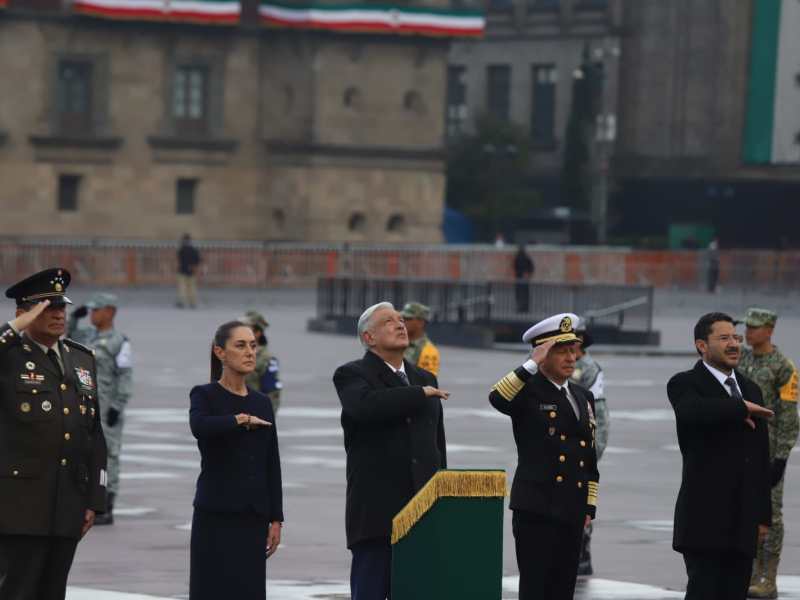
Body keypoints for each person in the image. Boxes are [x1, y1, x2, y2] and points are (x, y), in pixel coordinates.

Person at [0, 268, 107, 600]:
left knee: (52, 592)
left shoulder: (81, 358)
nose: (59, 314)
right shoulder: (10, 355)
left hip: (67, 506)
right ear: (24, 313)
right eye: (47, 308)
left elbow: (94, 432)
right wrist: (13, 329)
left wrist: (94, 498)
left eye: (61, 308)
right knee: (16, 591)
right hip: (18, 508)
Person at [333, 302, 448, 600]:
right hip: (377, 516)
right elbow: (365, 407)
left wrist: (443, 497)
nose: (400, 325)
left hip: (422, 512)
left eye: (400, 320)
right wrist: (417, 394)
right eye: (388, 322)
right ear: (369, 338)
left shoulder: (425, 377)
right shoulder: (352, 375)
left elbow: (437, 445)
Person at [488, 313, 599, 600]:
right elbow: (497, 398)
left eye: (573, 350)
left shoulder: (582, 395)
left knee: (563, 589)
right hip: (538, 509)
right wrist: (530, 364)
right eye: (560, 351)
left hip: (572, 509)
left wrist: (589, 507)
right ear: (542, 354)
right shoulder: (528, 391)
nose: (571, 357)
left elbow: (588, 457)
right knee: (537, 589)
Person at [667, 312, 773, 600]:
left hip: (743, 522)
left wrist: (764, 516)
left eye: (736, 338)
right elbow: (692, 411)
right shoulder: (685, 384)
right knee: (705, 592)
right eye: (724, 338)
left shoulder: (751, 388)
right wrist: (740, 409)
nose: (734, 344)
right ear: (702, 345)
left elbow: (761, 457)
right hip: (704, 522)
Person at [189, 321, 283, 600]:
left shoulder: (262, 402)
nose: (250, 352)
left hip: (252, 516)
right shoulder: (205, 395)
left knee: (249, 591)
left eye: (253, 345)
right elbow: (200, 426)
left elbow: (271, 462)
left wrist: (276, 518)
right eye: (240, 345)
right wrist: (239, 420)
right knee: (212, 590)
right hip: (216, 514)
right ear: (220, 352)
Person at [738, 308, 799, 599]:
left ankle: (768, 576)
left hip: (770, 450)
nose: (749, 332)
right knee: (743, 510)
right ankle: (747, 572)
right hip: (742, 448)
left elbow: (789, 416)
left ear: (770, 330)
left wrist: (782, 457)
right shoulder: (742, 359)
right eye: (747, 326)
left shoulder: (784, 367)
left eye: (755, 327)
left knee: (770, 514)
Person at [67, 292, 133, 525]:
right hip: (83, 405)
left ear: (110, 312)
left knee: (109, 454)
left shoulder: (119, 341)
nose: (93, 314)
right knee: (82, 452)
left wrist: (118, 405)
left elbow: (125, 375)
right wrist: (74, 317)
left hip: (106, 408)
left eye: (97, 310)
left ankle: (106, 505)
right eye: (91, 310)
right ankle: (86, 501)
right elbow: (67, 336)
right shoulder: (86, 335)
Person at [571, 320, 608, 576]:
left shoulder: (589, 369)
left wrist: (593, 453)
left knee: (580, 501)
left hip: (580, 447)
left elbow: (600, 415)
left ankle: (582, 554)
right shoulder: (543, 360)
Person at [241, 310, 283, 416]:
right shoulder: (231, 354)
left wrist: (264, 425)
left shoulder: (266, 360)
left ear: (257, 333)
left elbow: (272, 396)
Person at [401, 302, 440, 376]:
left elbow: (428, 380)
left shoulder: (429, 351)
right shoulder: (396, 342)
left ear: (421, 322)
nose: (403, 321)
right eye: (402, 318)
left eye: (408, 318)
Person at [177, 233, 201, 308]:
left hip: (182, 270)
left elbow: (179, 259)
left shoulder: (181, 249)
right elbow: (198, 260)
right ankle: (192, 302)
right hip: (192, 271)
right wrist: (194, 266)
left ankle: (182, 302)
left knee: (182, 287)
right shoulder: (194, 250)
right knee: (192, 288)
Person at [513, 243, 534, 314]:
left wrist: (527, 274)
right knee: (523, 294)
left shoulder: (520, 258)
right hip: (521, 279)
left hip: (520, 279)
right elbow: (531, 267)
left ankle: (522, 308)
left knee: (521, 294)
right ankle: (523, 308)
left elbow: (515, 267)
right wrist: (528, 274)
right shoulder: (524, 258)